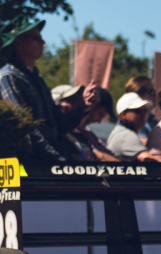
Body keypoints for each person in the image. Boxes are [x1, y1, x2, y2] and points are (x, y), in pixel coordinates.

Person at [0, 16, 98, 162]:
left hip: (44, 165)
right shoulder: (8, 77)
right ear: (18, 44)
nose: (43, 42)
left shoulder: (37, 81)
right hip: (24, 167)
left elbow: (57, 126)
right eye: (36, 38)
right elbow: (24, 128)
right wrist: (56, 159)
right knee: (13, 186)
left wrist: (83, 106)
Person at [106, 92, 161, 162]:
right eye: (137, 111)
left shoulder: (121, 131)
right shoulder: (126, 135)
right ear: (123, 115)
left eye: (144, 110)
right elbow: (152, 162)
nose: (143, 114)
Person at [124, 76, 158, 143]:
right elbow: (141, 143)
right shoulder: (130, 119)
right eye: (151, 92)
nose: (153, 96)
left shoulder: (154, 122)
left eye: (153, 92)